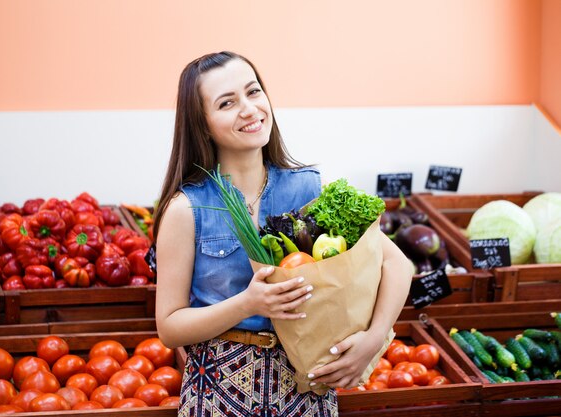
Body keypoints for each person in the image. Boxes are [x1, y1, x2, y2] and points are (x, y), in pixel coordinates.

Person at [153, 51, 412, 416]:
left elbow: (397, 265)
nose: (248, 109)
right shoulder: (186, 209)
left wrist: (372, 340)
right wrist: (248, 303)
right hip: (219, 391)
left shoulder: (307, 190)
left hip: (306, 384)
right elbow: (169, 326)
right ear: (203, 123)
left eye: (253, 92)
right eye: (227, 103)